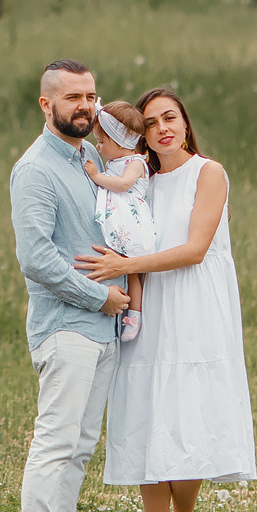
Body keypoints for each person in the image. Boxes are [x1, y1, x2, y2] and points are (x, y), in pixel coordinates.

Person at [75, 87, 257, 512]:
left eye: (169, 117)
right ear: (141, 134)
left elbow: (195, 249)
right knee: (145, 413)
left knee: (188, 416)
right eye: (151, 123)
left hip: (196, 305)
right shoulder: (140, 181)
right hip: (148, 306)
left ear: (185, 121)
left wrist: (125, 264)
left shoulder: (208, 173)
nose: (163, 129)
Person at [9, 59, 132, 512]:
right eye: (73, 98)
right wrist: (100, 296)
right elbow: (36, 258)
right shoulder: (35, 170)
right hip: (66, 326)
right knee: (56, 442)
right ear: (46, 103)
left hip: (104, 330)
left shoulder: (94, 161)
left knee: (80, 448)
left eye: (90, 97)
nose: (85, 107)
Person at [82, 101, 157, 341]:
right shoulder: (115, 162)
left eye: (102, 142)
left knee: (132, 269)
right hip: (119, 222)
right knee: (122, 265)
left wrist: (96, 176)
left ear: (119, 142)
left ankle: (135, 315)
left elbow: (123, 185)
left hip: (131, 222)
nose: (98, 146)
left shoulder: (134, 163)